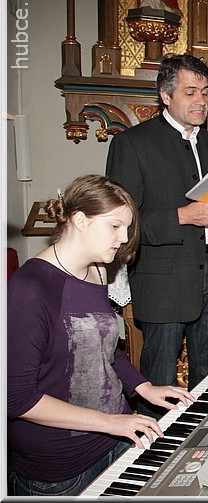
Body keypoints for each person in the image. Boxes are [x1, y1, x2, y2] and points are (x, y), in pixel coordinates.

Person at [7, 175, 195, 497]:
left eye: (127, 228)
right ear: (80, 220)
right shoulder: (30, 289)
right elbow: (16, 399)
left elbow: (104, 347)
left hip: (113, 442)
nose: (124, 238)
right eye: (115, 226)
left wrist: (144, 387)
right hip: (60, 469)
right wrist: (110, 423)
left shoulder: (98, 270)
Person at [106, 54, 208, 418]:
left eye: (206, 92)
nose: (201, 100)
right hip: (163, 277)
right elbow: (120, 223)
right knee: (159, 375)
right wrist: (183, 216)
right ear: (165, 96)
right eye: (190, 92)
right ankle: (150, 444)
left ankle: (202, 439)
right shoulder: (133, 143)